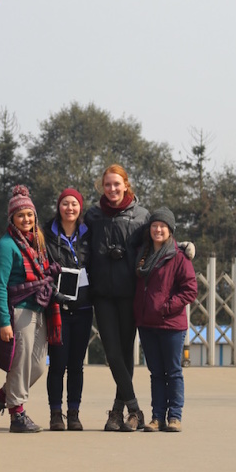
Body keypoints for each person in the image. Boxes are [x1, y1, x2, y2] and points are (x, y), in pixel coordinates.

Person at [0, 184, 61, 434]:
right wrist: (5, 322)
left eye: (29, 214)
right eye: (20, 215)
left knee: (36, 367)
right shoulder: (6, 246)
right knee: (20, 364)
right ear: (12, 218)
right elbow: (1, 288)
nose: (26, 219)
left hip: (39, 310)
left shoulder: (37, 242)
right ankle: (17, 416)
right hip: (19, 311)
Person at [85, 164, 150, 431]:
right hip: (102, 293)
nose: (112, 189)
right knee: (112, 353)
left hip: (129, 292)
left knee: (124, 352)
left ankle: (117, 413)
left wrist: (181, 248)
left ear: (126, 184)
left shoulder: (142, 215)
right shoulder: (92, 215)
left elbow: (157, 241)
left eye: (116, 184)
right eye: (107, 184)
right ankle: (135, 409)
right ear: (102, 187)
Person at [134, 207, 197, 432]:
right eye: (154, 225)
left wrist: (167, 307)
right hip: (147, 323)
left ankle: (175, 416)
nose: (158, 229)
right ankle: (157, 417)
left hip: (171, 324)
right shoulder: (142, 254)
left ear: (170, 230)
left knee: (173, 371)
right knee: (156, 373)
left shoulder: (179, 257)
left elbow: (190, 290)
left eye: (162, 226)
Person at [44, 187, 92, 431]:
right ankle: (55, 414)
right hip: (57, 309)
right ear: (58, 206)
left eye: (74, 204)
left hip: (83, 309)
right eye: (65, 203)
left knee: (76, 365)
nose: (69, 208)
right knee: (57, 364)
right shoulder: (46, 234)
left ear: (80, 207)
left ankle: (74, 413)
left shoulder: (88, 234)